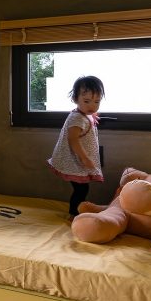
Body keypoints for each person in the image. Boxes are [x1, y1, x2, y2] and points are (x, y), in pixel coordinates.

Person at [47, 75, 105, 217]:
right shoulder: (77, 119)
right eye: (87, 101)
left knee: (81, 189)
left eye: (97, 102)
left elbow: (86, 114)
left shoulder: (82, 113)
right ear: (75, 99)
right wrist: (85, 158)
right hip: (75, 161)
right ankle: (74, 214)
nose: (92, 106)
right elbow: (73, 140)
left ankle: (78, 212)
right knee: (81, 190)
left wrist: (91, 115)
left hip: (76, 160)